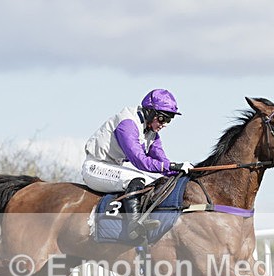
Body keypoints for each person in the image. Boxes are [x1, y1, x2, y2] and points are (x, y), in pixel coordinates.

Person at [82, 89, 193, 240]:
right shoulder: (127, 124)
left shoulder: (151, 132)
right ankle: (134, 226)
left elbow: (162, 161)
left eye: (169, 120)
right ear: (150, 112)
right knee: (137, 179)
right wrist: (172, 166)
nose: (165, 124)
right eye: (162, 118)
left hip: (113, 167)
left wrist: (183, 171)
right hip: (95, 167)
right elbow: (139, 161)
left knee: (156, 182)